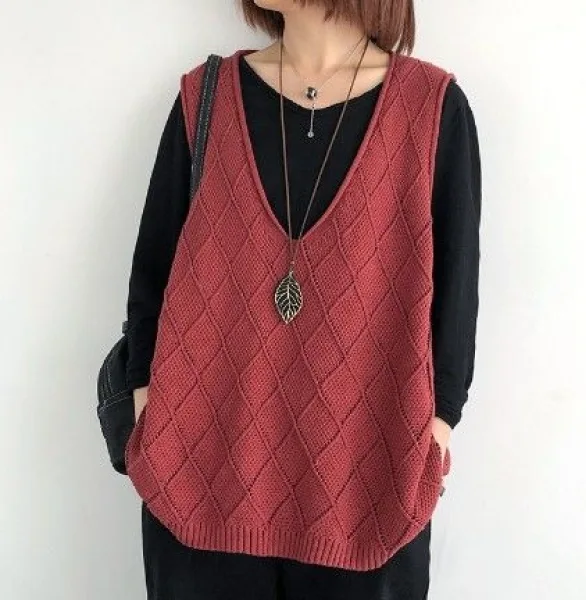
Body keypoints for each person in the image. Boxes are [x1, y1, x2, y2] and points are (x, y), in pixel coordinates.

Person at [123, 1, 481, 598]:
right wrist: (146, 399)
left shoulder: (432, 108)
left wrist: (440, 423)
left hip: (368, 483)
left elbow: (457, 291)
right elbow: (152, 270)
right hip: (199, 474)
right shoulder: (206, 97)